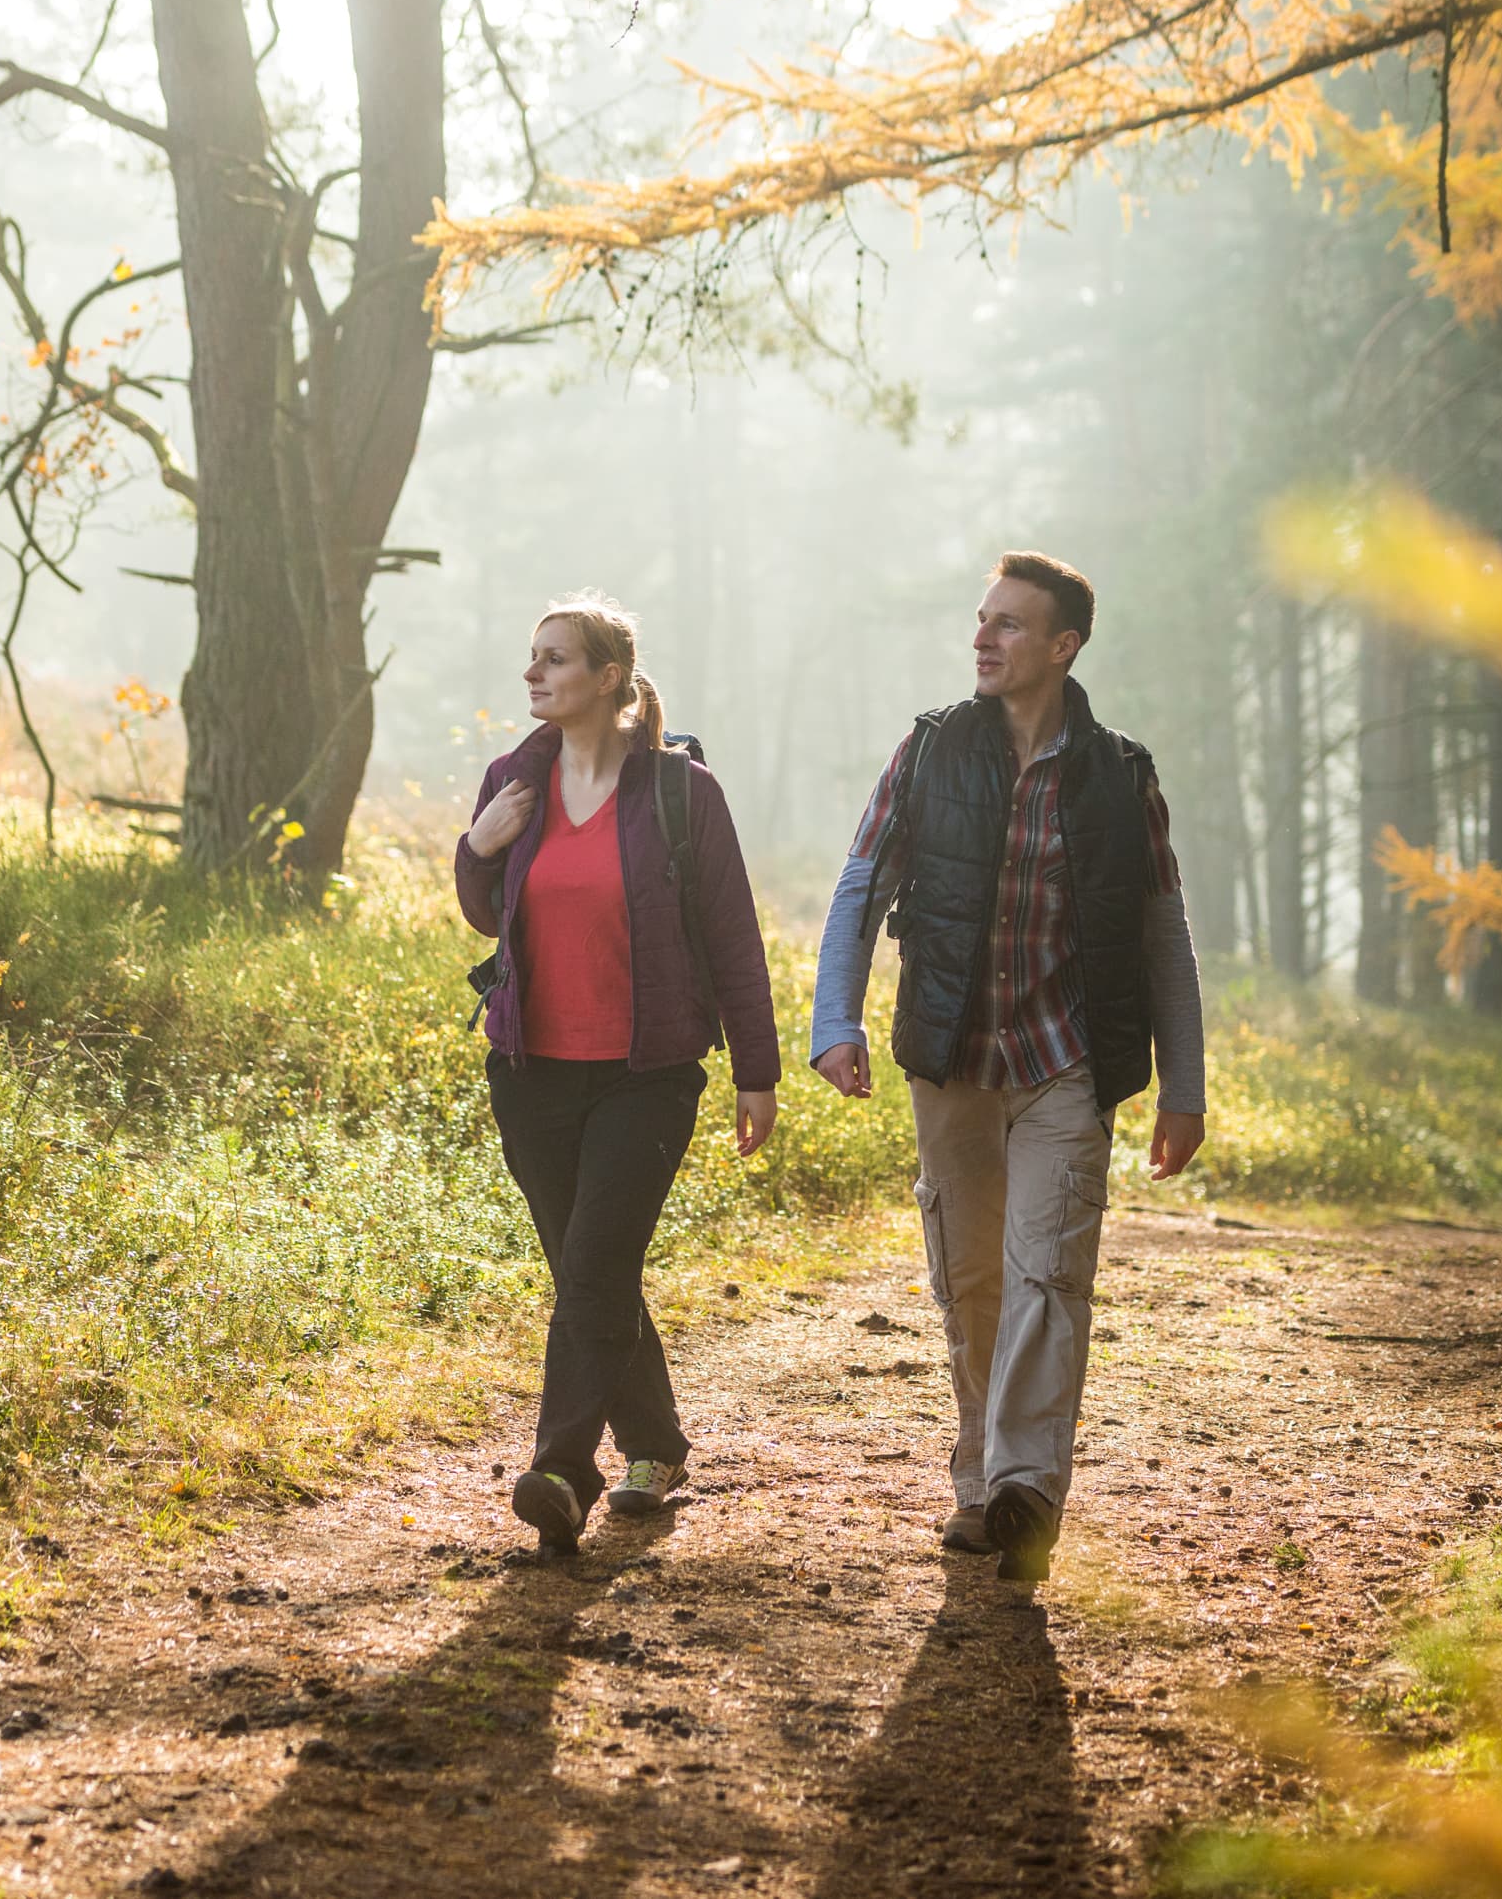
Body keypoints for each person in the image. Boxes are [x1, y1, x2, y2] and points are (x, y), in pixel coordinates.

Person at [809, 551, 1206, 1585]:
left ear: (1065, 646)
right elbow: (863, 884)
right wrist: (832, 1019)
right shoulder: (933, 748)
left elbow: (1163, 932)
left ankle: (1030, 1489)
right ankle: (981, 1477)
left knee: (1049, 1273)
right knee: (972, 1277)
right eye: (982, 622)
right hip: (953, 1055)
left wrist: (1184, 1086)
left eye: (1011, 626)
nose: (985, 639)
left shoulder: (1123, 775)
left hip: (1068, 1057)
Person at [457, 595, 782, 1556]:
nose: (533, 674)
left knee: (593, 1269)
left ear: (607, 678)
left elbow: (732, 939)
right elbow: (489, 914)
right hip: (532, 1072)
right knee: (588, 1271)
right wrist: (478, 847)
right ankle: (657, 1444)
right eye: (530, 658)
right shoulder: (513, 779)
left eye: (554, 660)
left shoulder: (682, 794)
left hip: (647, 1074)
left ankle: (562, 1469)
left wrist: (754, 1072)